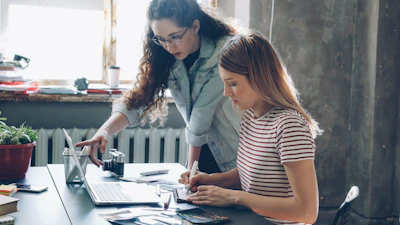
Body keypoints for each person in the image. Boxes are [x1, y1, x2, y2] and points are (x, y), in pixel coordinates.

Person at [76, 0, 241, 174]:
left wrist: (191, 175)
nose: (169, 47)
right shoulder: (165, 55)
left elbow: (201, 114)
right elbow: (139, 98)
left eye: (175, 37)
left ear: (195, 26)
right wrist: (104, 131)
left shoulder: (223, 51)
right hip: (202, 153)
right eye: (161, 39)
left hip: (233, 156)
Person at [179, 31, 323, 225]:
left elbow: (306, 212)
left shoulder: (289, 126)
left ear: (258, 77)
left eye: (233, 83)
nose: (226, 92)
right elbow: (250, 174)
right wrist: (209, 180)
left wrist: (233, 197)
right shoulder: (250, 116)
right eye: (224, 83)